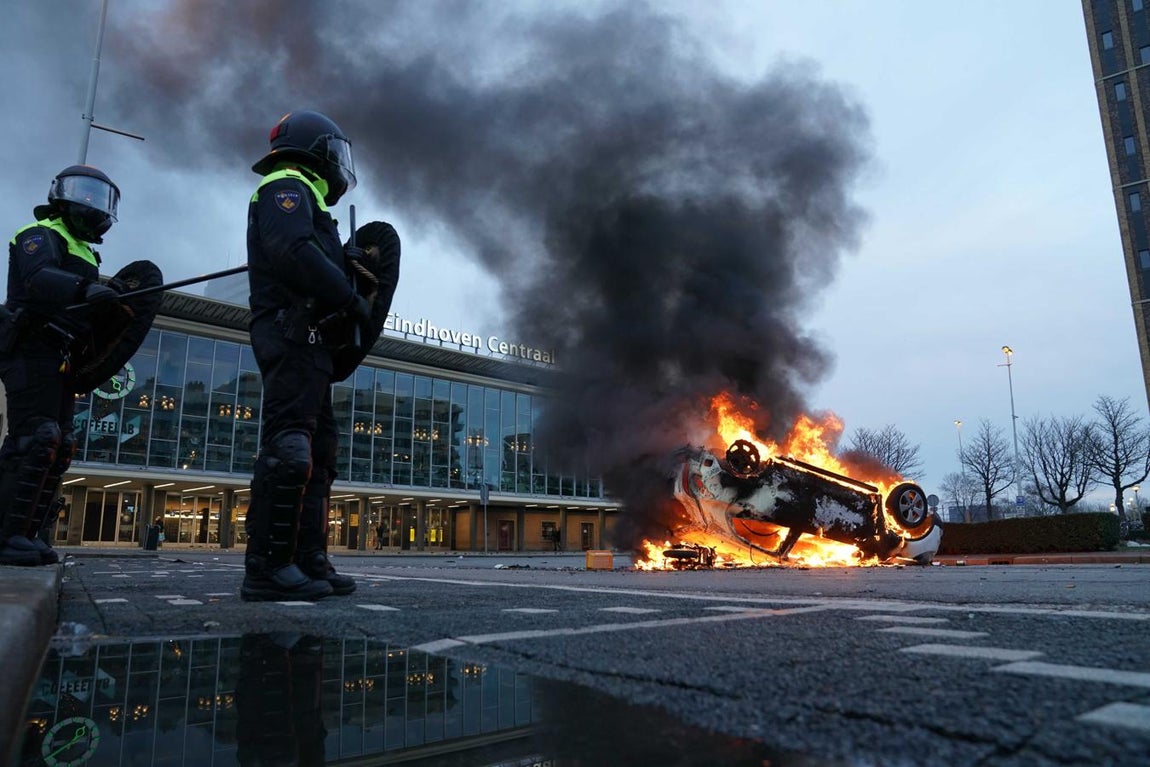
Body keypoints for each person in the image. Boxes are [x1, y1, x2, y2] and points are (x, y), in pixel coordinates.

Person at [241, 110, 377, 601]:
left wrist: (347, 263)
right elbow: (292, 251)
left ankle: (308, 559)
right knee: (290, 450)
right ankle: (267, 567)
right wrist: (347, 294)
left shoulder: (309, 198)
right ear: (317, 150)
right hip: (290, 331)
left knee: (319, 453)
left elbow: (308, 252)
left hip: (312, 339)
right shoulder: (286, 185)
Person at [0, 165, 126, 567]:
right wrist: (86, 289)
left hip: (63, 357)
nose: (93, 203)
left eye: (100, 197)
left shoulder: (86, 251)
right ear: (60, 196)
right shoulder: (38, 234)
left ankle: (27, 533)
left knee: (60, 444)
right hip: (30, 348)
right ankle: (5, 535)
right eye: (84, 193)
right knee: (34, 438)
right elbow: (39, 279)